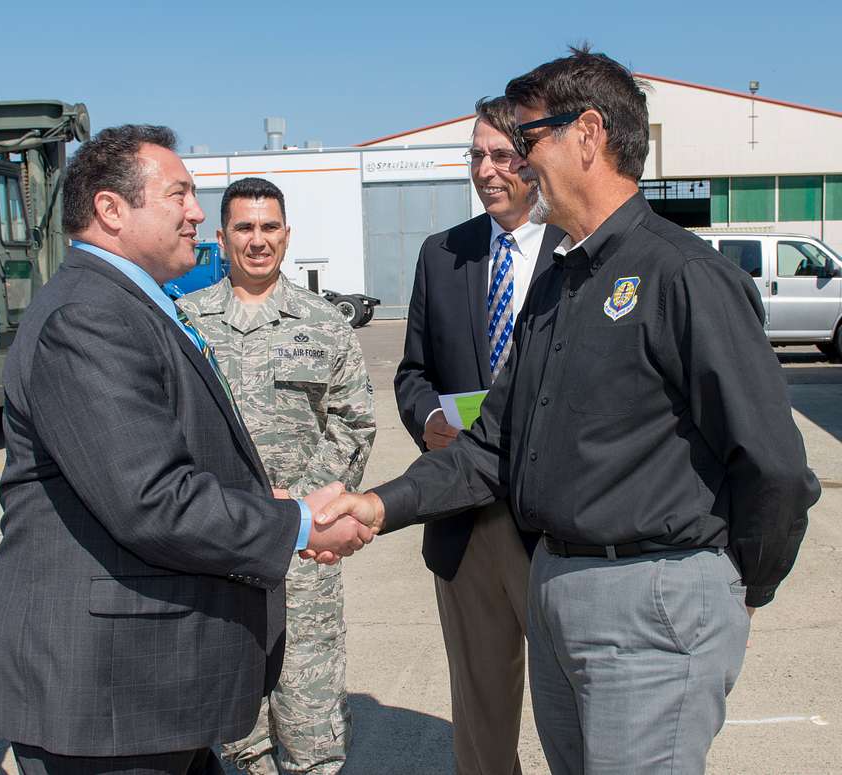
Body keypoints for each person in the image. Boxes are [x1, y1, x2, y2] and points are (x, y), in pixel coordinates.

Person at [316, 47, 820, 774]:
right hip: (558, 589)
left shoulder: (684, 275)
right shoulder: (559, 284)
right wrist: (374, 506)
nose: (516, 164)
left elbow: (774, 464)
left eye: (527, 142)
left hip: (652, 601)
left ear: (587, 134)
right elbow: (492, 446)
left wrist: (738, 585)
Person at [0, 125, 373, 775]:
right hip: (106, 695)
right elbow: (150, 498)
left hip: (142, 688)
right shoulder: (89, 317)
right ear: (110, 208)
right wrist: (295, 520)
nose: (195, 212)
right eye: (178, 194)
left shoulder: (132, 307)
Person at [178, 177, 376, 775]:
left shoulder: (324, 323)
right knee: (238, 731)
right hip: (221, 550)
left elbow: (354, 422)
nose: (257, 241)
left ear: (287, 236)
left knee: (311, 724)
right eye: (244, 228)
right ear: (221, 237)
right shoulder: (186, 324)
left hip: (303, 552)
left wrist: (305, 503)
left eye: (269, 228)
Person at [394, 97, 564, 775]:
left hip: (552, 524)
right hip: (464, 521)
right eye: (476, 154)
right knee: (482, 717)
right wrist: (430, 421)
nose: (487, 170)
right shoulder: (443, 255)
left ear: (535, 159)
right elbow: (411, 372)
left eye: (503, 155)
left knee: (574, 710)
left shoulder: (576, 251)